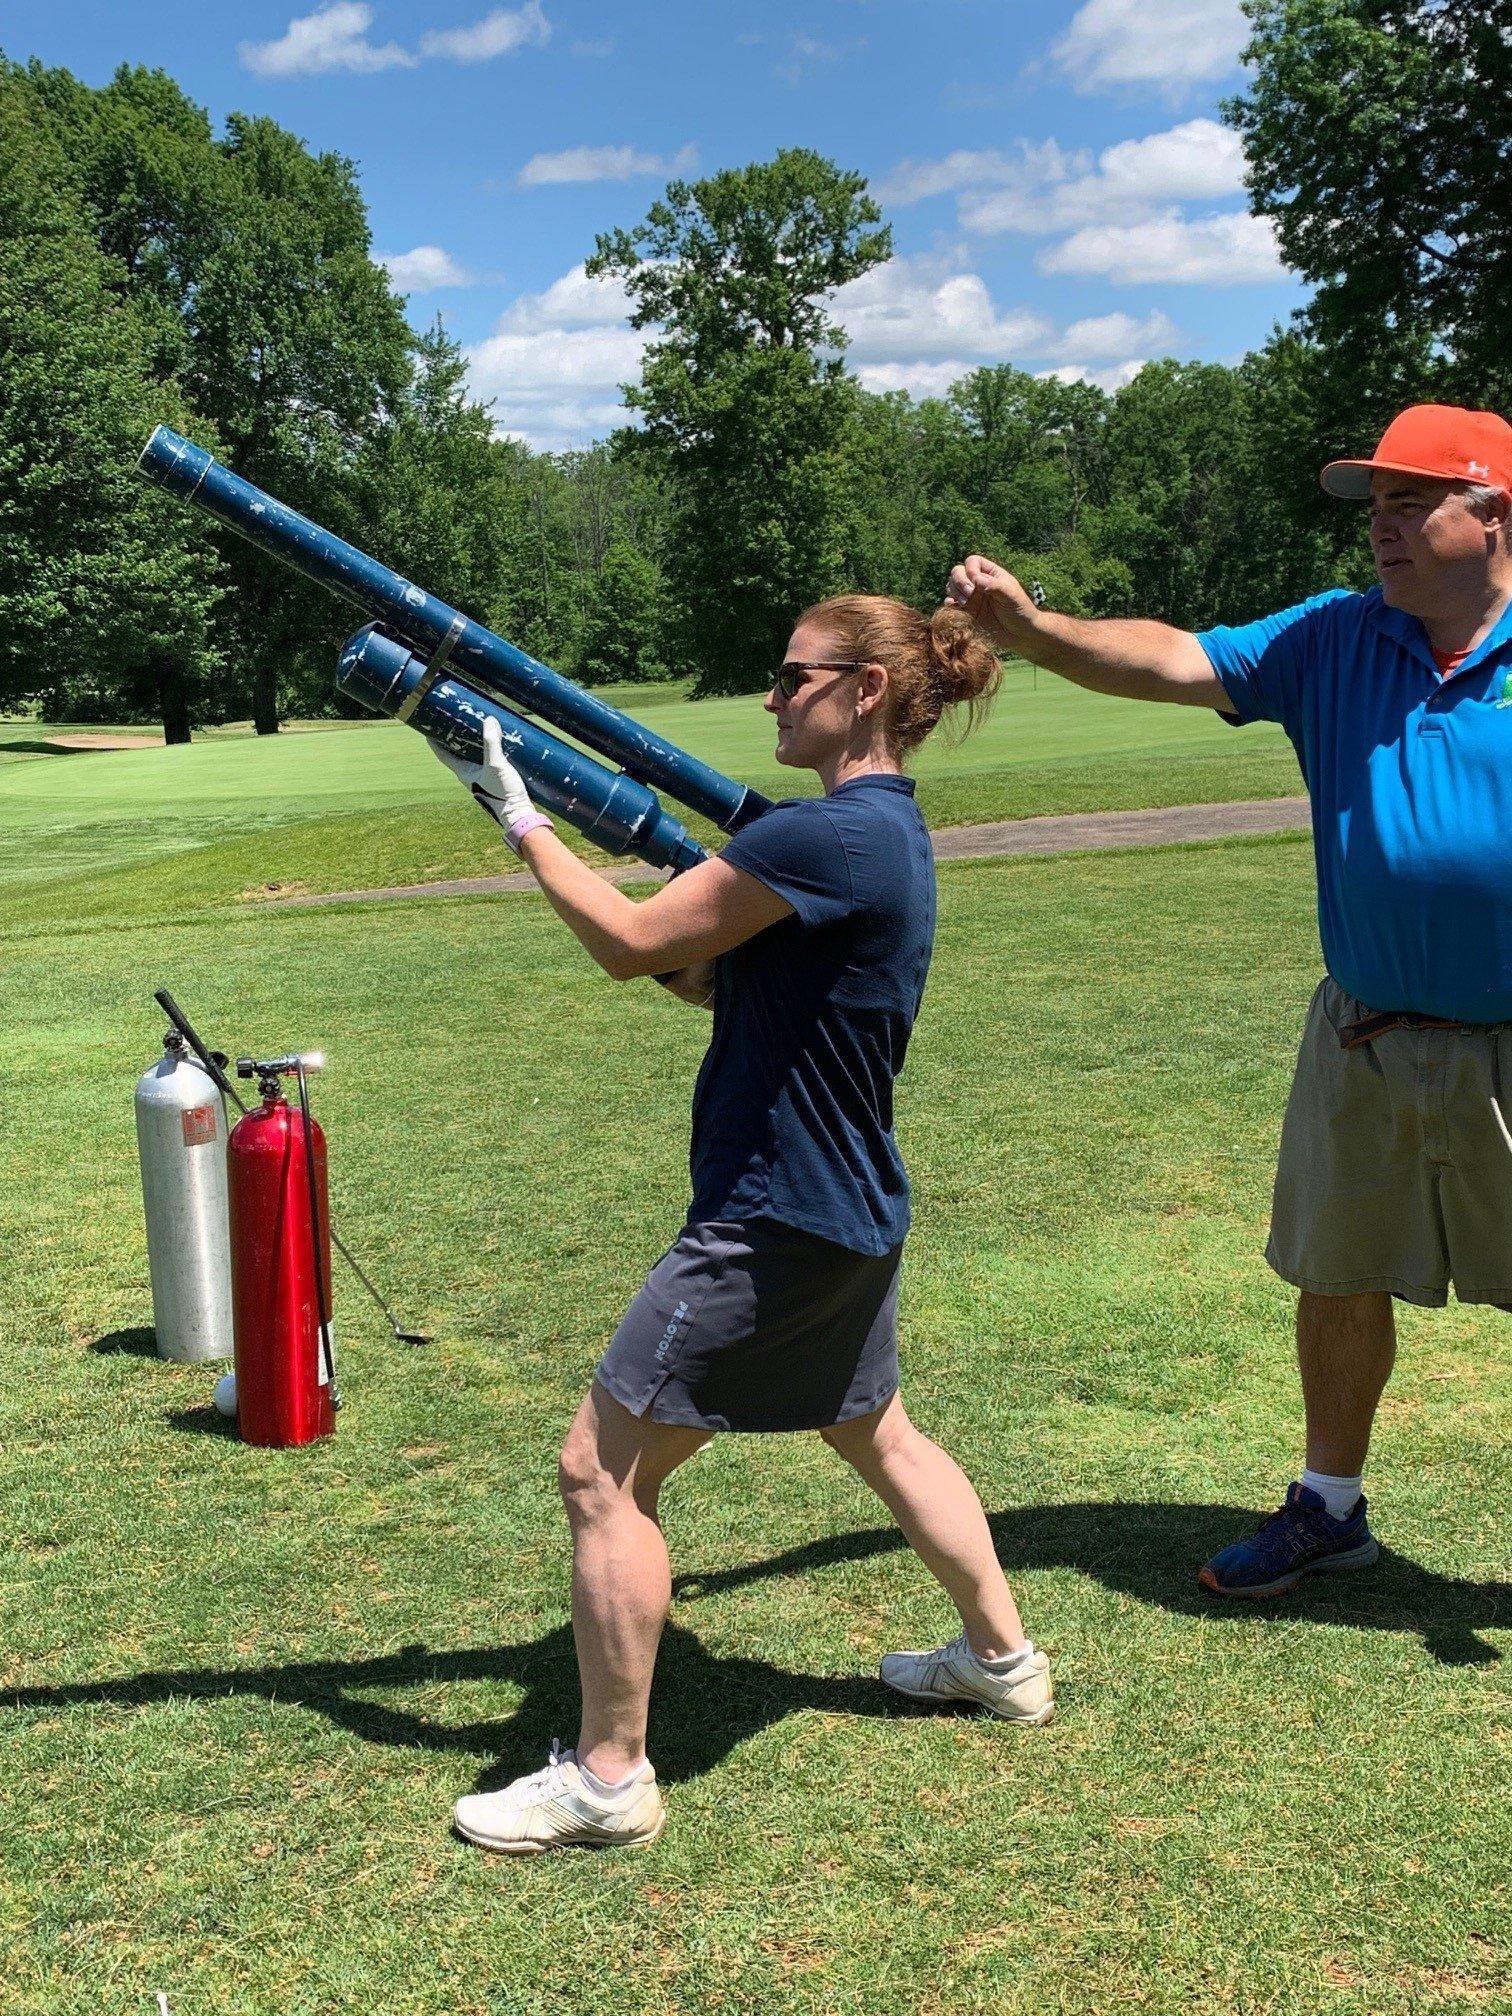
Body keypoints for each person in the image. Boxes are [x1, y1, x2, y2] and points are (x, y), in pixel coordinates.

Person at [432, 593, 1053, 1854]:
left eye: (790, 677)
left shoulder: (830, 839)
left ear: (865, 690)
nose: (769, 698)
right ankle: (1003, 1660)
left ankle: (608, 1777)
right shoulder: (876, 835)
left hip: (773, 1215)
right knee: (876, 1431)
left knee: (598, 1473)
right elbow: (707, 976)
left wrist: (519, 815)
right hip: (847, 1205)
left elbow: (625, 943)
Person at [948, 402, 1512, 1601]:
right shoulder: (1334, 637)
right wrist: (1036, 632)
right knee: (1338, 1274)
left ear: (1494, 512)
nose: (1385, 529)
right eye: (1377, 508)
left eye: (1413, 504)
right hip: (1366, 1033)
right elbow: (1175, 658)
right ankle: (1330, 1507)